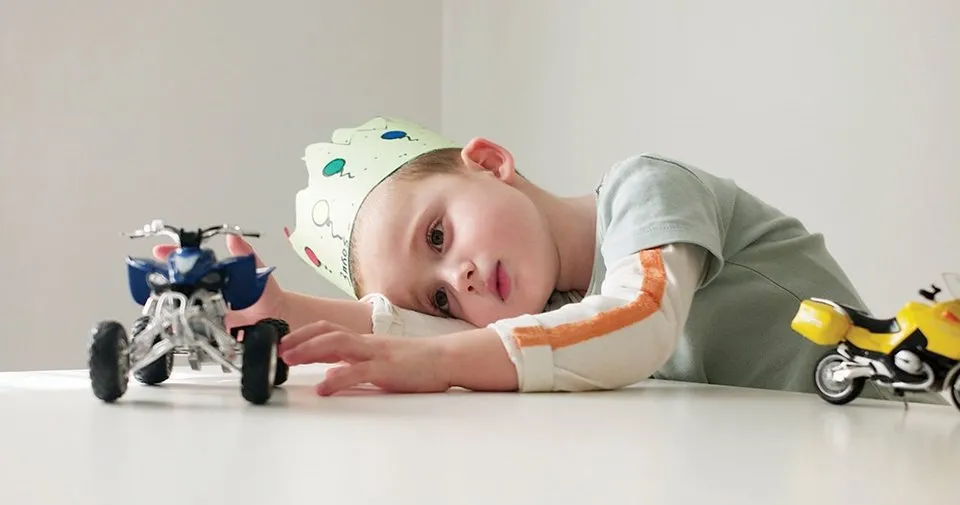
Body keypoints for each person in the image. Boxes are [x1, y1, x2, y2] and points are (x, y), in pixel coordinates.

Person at [154, 116, 942, 404]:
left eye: (438, 237)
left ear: (490, 161)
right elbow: (433, 333)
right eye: (441, 296)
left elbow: (638, 320)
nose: (459, 279)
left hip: (888, 423)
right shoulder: (557, 313)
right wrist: (292, 312)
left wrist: (435, 363)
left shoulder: (646, 188)